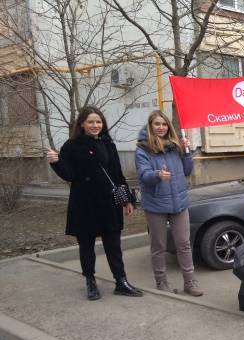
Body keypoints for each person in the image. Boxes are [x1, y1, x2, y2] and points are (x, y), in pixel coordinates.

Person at [47, 106, 143, 301]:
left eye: (98, 122)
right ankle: (90, 282)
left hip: (109, 204)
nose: (95, 125)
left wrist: (128, 200)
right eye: (90, 122)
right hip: (85, 204)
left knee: (114, 245)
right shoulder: (72, 145)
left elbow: (117, 175)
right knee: (86, 246)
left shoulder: (109, 144)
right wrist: (56, 162)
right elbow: (70, 175)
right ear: (82, 124)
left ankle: (121, 282)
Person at [134, 110, 203, 296]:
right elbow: (144, 175)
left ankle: (190, 282)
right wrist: (157, 175)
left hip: (179, 203)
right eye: (157, 124)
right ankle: (161, 282)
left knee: (184, 244)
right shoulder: (143, 149)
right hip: (156, 204)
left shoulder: (175, 146)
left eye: (164, 124)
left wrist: (186, 150)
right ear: (150, 126)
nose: (161, 128)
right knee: (159, 246)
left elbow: (187, 171)